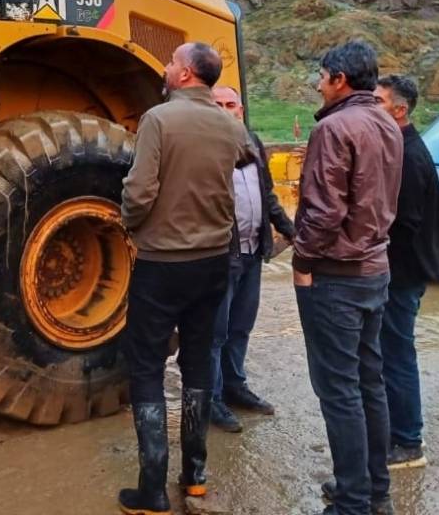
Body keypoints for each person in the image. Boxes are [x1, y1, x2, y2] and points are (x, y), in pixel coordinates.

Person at [118, 42, 252, 514]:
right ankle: (194, 479)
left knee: (147, 366)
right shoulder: (227, 123)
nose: (167, 66)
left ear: (187, 73)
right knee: (197, 362)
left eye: (172, 61)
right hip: (213, 262)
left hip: (163, 263)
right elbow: (246, 157)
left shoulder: (158, 119)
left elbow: (140, 190)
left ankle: (151, 489)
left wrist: (131, 223)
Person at [292, 41, 403, 515]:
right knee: (368, 382)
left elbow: (323, 212)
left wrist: (300, 261)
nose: (317, 84)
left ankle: (353, 501)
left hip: (336, 276)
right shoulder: (386, 122)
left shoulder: (335, 127)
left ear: (339, 79)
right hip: (375, 270)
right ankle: (374, 491)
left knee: (339, 392)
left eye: (321, 75)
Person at [372, 75, 439, 470]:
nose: (370, 106)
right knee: (391, 352)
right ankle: (397, 431)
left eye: (377, 101)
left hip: (402, 274)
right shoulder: (398, 146)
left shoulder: (407, 155)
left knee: (396, 354)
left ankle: (408, 442)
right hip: (401, 272)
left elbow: (402, 223)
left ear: (399, 109)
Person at [208, 85, 295, 433]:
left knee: (241, 327)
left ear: (241, 110)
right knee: (214, 333)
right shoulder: (202, 148)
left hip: (251, 254)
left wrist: (289, 229)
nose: (227, 110)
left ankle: (234, 387)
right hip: (219, 257)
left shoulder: (254, 143)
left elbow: (267, 195)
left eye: (232, 105)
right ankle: (211, 400)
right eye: (218, 105)